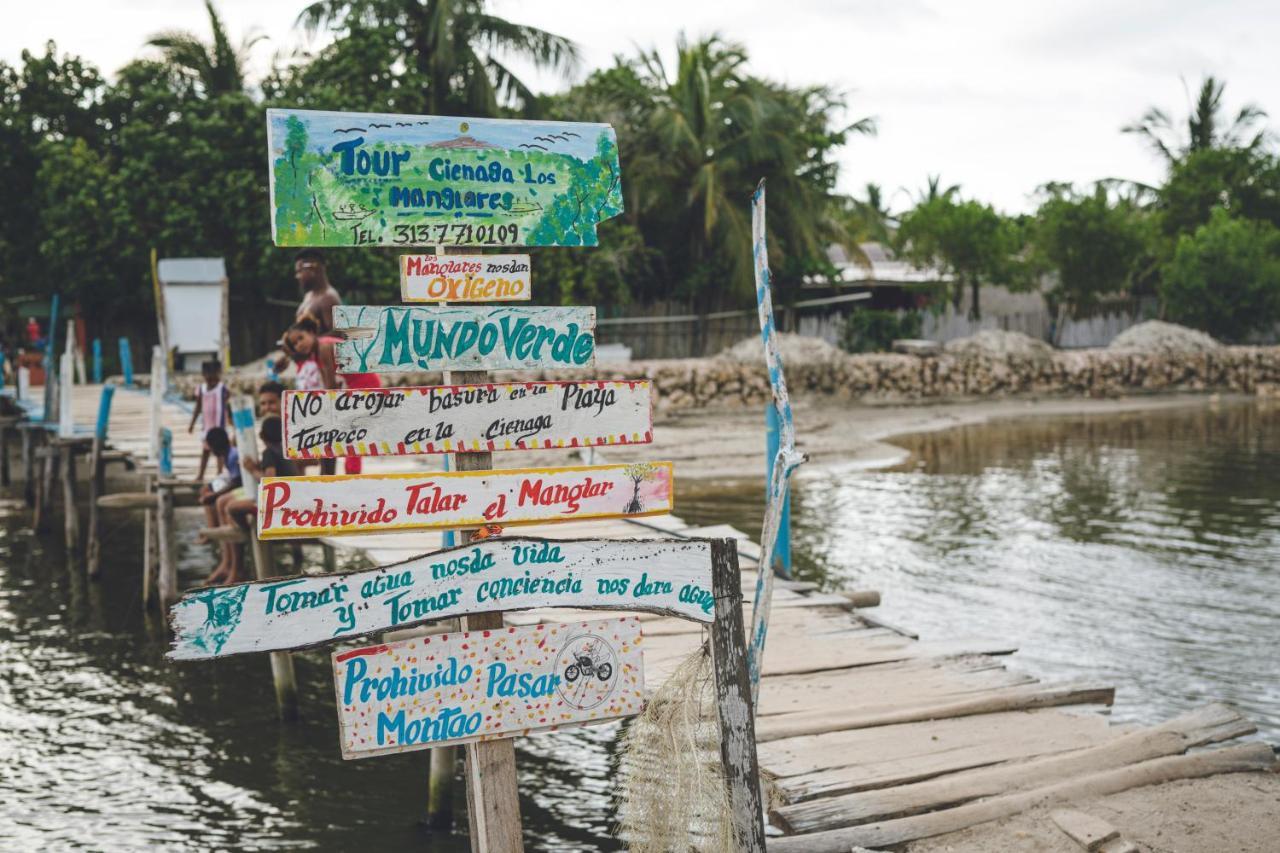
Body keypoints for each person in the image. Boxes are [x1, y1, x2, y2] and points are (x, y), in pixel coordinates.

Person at [218, 415, 296, 583]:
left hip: (278, 506)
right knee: (232, 505)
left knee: (231, 508)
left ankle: (245, 530)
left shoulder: (269, 452)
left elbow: (270, 481)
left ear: (261, 436)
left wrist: (252, 469)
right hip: (291, 501)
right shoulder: (286, 450)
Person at [273, 249, 342, 375]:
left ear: (314, 268)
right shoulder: (309, 296)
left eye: (300, 271)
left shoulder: (328, 298)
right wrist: (289, 355)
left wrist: (299, 350)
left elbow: (337, 335)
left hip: (324, 371)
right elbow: (305, 336)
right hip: (309, 370)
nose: (297, 276)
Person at [200, 427, 241, 584]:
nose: (209, 450)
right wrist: (210, 488)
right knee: (214, 499)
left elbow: (237, 482)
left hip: (245, 492)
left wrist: (215, 495)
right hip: (238, 490)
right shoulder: (228, 456)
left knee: (220, 501)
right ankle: (226, 562)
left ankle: (233, 566)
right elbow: (229, 478)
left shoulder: (232, 456)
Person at [188, 359, 229, 481]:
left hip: (219, 425)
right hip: (207, 426)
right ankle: (201, 474)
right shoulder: (201, 389)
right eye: (209, 379)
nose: (211, 381)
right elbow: (197, 407)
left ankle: (219, 473)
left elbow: (228, 405)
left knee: (220, 452)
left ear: (219, 374)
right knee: (205, 450)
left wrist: (231, 421)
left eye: (214, 378)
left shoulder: (223, 389)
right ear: (203, 375)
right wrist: (192, 424)